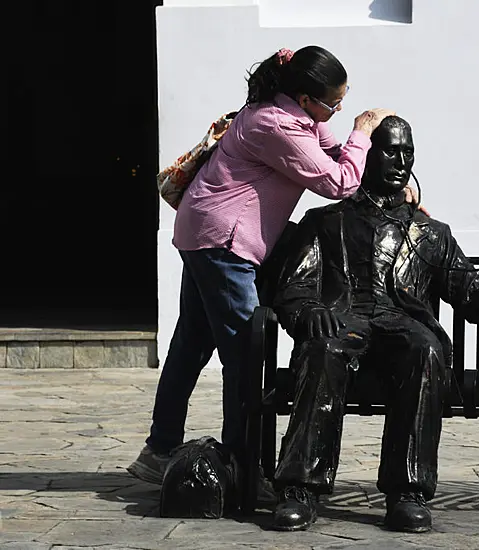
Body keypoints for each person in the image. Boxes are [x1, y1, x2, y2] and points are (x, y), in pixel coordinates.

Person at [268, 115, 479, 532]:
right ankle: (299, 488)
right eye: (390, 150)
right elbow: (294, 287)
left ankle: (408, 492)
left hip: (401, 327)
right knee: (325, 344)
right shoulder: (326, 222)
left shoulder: (431, 233)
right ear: (366, 154)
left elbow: (473, 297)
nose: (401, 161)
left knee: (426, 348)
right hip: (344, 323)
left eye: (408, 153)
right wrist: (309, 310)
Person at [127, 46, 415, 496]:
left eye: (343, 102)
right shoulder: (273, 125)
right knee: (244, 357)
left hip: (203, 231)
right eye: (332, 103)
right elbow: (338, 182)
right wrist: (362, 131)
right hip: (224, 243)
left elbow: (333, 153)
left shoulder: (294, 117)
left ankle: (159, 449)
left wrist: (373, 162)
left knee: (191, 343)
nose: (337, 111)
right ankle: (242, 468)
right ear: (304, 97)